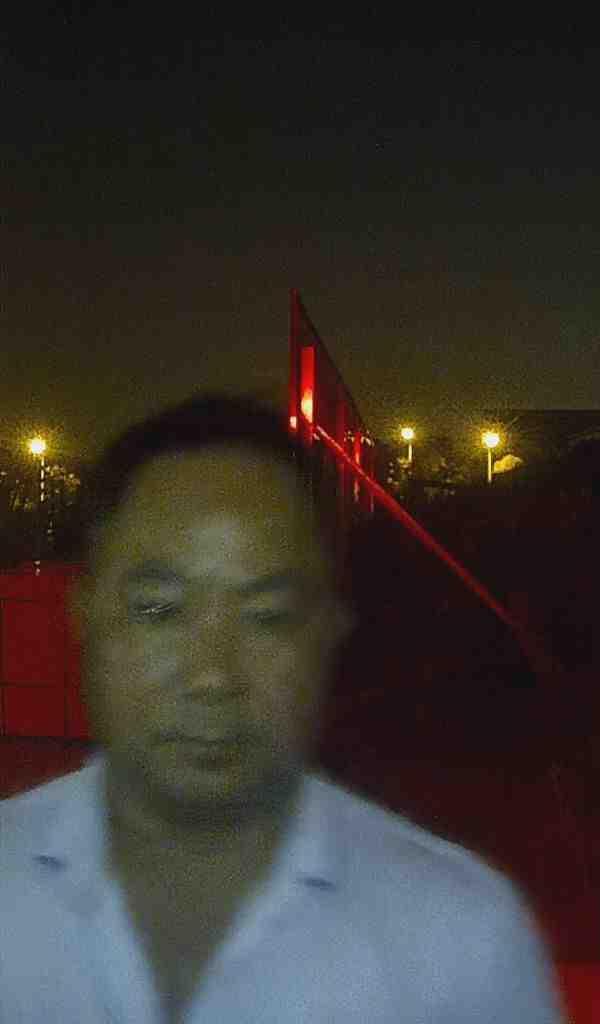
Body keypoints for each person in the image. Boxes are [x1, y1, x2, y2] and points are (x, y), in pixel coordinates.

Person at [0, 393, 566, 1023]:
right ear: (83, 613)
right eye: (159, 609)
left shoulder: (462, 945)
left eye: (267, 616)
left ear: (329, 628)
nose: (213, 676)